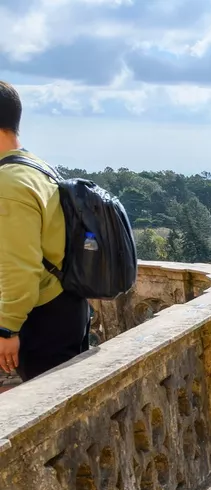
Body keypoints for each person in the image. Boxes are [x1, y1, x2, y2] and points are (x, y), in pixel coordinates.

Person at [0, 83, 93, 380]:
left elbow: (19, 266)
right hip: (68, 303)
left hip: (42, 317)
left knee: (50, 416)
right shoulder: (36, 167)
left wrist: (7, 327)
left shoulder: (7, 184)